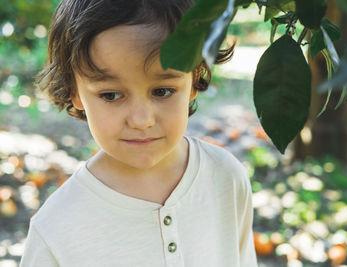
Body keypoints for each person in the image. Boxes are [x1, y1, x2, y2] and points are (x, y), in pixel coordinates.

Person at [20, 0, 258, 266]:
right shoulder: (56, 228)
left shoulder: (226, 177)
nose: (141, 120)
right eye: (111, 95)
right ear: (75, 92)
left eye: (162, 91)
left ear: (194, 77)